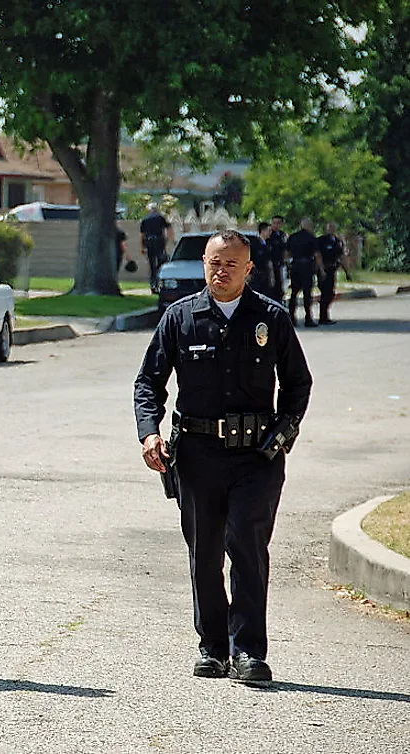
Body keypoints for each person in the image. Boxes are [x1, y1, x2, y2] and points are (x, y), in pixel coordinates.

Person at [134, 229, 312, 686]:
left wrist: (283, 435)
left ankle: (249, 651)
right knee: (206, 552)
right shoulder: (180, 318)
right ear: (204, 265)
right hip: (197, 456)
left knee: (247, 547)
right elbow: (148, 384)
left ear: (248, 268)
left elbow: (298, 384)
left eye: (232, 263)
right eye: (215, 262)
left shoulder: (269, 317)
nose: (221, 270)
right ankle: (212, 648)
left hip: (256, 458)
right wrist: (149, 435)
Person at [286, 218, 324, 328]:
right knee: (307, 293)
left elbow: (287, 254)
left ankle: (291, 317)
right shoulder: (311, 238)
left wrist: (289, 266)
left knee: (294, 292)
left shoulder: (293, 237)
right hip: (307, 266)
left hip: (295, 265)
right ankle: (308, 318)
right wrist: (320, 269)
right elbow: (317, 255)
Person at [316, 222, 344, 325]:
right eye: (330, 227)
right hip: (323, 269)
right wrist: (321, 269)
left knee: (330, 294)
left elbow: (341, 256)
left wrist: (346, 271)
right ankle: (322, 317)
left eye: (333, 227)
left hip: (332, 269)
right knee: (324, 293)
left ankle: (325, 315)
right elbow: (317, 255)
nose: (331, 229)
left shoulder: (337, 241)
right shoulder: (321, 240)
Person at [140, 203, 173, 293]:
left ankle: (153, 284)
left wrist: (142, 247)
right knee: (161, 262)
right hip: (159, 241)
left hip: (149, 242)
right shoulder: (160, 217)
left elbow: (142, 235)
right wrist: (170, 239)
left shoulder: (145, 219)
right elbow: (169, 228)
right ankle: (159, 282)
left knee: (152, 264)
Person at [248, 222, 276, 298]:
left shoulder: (268, 245)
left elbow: (269, 262)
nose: (270, 233)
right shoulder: (254, 244)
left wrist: (271, 277)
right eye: (268, 230)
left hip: (265, 274)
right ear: (263, 231)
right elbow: (249, 259)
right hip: (256, 275)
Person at [266, 215, 288, 304]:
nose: (275, 225)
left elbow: (285, 250)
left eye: (278, 223)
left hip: (280, 265)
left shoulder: (282, 235)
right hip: (269, 265)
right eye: (274, 223)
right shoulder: (269, 235)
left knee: (280, 288)